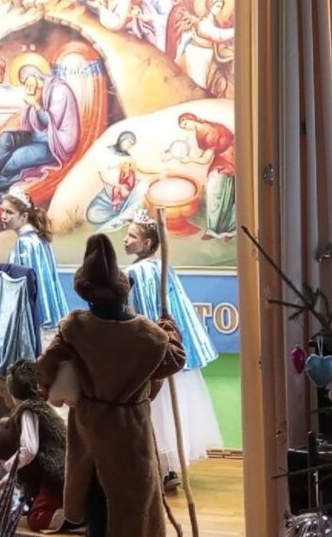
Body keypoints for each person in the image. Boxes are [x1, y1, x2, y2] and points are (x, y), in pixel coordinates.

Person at [36, 233, 186, 537]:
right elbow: (175, 359)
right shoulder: (148, 335)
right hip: (130, 430)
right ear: (122, 290)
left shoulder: (75, 327)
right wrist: (170, 330)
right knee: (132, 501)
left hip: (90, 427)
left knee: (95, 495)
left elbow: (45, 366)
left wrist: (48, 388)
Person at [123, 209, 222, 492]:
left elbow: (137, 312)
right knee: (167, 410)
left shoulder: (134, 273)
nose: (126, 240)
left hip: (152, 354)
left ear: (146, 244)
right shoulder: (160, 268)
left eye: (132, 236)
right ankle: (169, 469)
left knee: (156, 408)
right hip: (170, 350)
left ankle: (160, 469)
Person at [0, 65, 80, 209]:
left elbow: (49, 122)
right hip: (38, 136)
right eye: (24, 83)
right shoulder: (39, 89)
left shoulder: (60, 91)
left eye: (27, 81)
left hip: (56, 142)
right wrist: (31, 103)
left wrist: (35, 104)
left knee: (17, 157)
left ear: (36, 76)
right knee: (6, 138)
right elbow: (34, 123)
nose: (27, 87)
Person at [0, 361, 67, 532]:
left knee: (37, 519)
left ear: (12, 392)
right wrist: (3, 482)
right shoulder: (42, 408)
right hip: (58, 473)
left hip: (54, 475)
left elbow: (29, 449)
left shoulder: (27, 411)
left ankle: (77, 518)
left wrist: (9, 465)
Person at [0, 188, 69, 329]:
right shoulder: (39, 239)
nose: (3, 216)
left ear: (24, 217)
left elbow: (20, 282)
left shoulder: (24, 243)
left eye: (9, 212)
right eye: (3, 211)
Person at [174, 113, 236, 240]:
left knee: (219, 192)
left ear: (191, 119)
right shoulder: (201, 130)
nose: (185, 127)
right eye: (183, 127)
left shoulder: (210, 131)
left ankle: (229, 230)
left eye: (185, 124)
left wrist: (189, 159)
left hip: (229, 159)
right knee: (222, 193)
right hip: (221, 159)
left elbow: (206, 159)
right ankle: (216, 230)